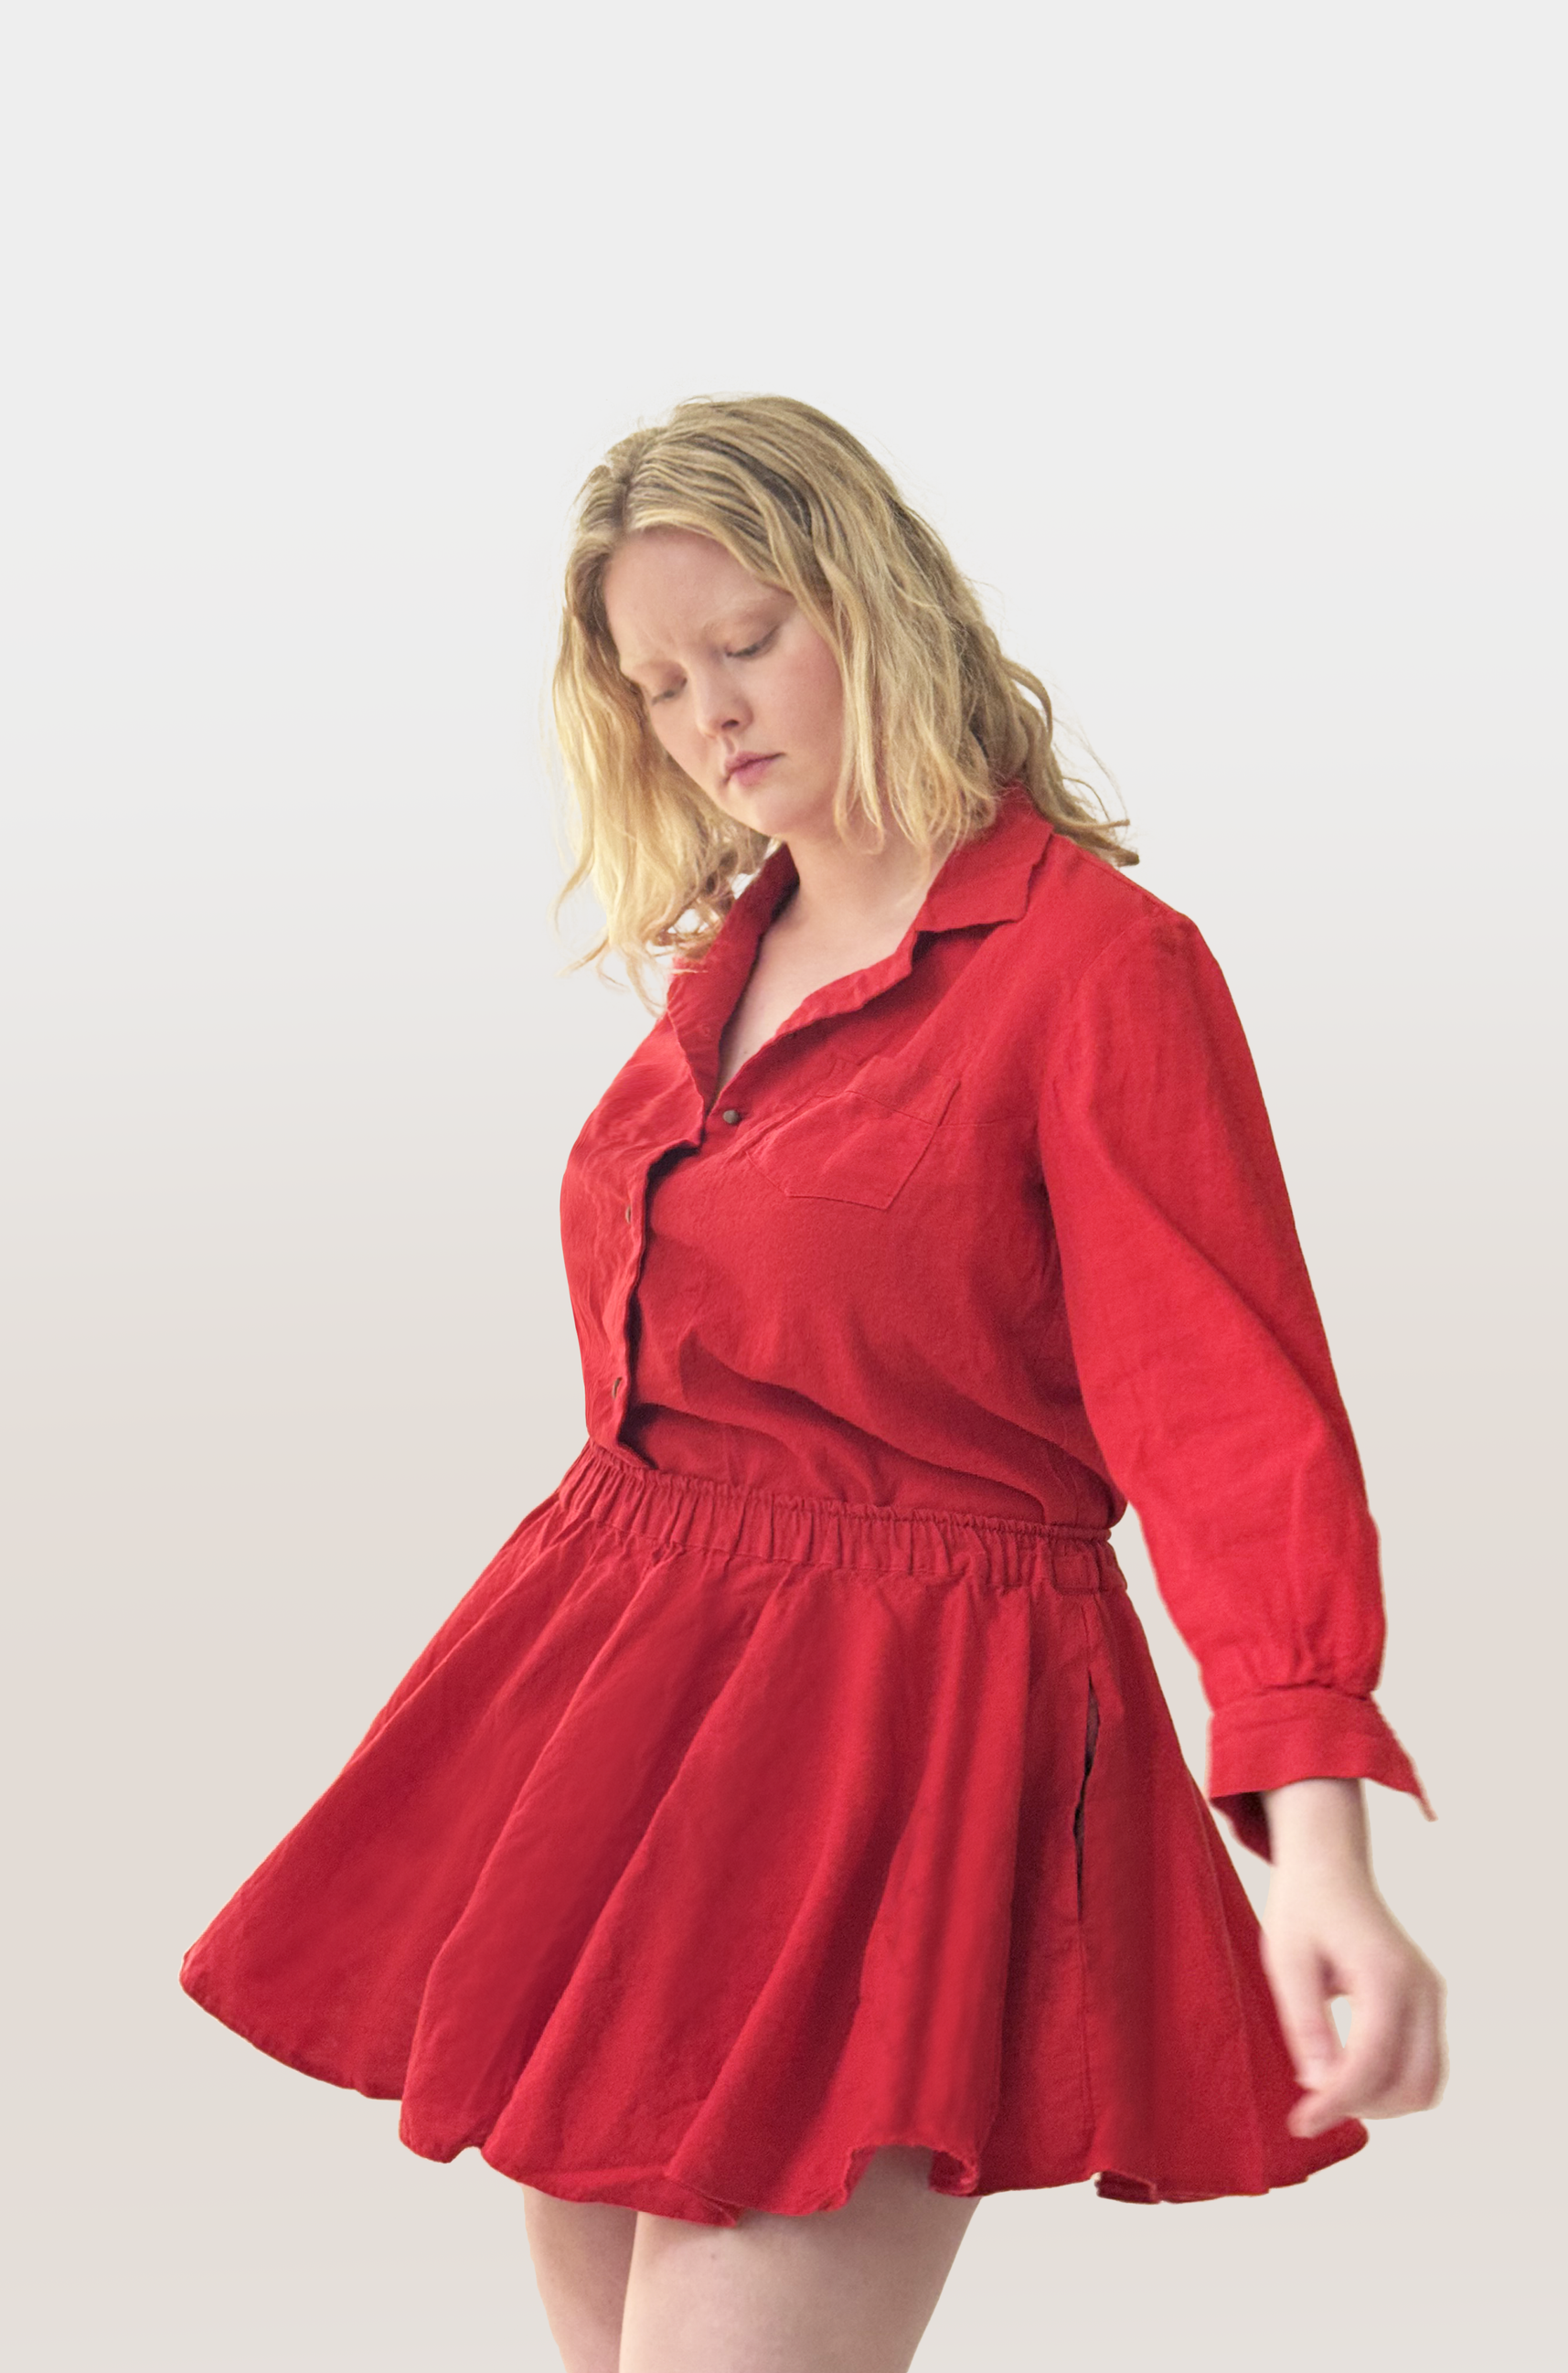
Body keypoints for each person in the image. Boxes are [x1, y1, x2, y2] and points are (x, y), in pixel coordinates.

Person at [180, 394, 1445, 2373]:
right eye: (656, 683)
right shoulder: (731, 949)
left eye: (745, 641)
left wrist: (1327, 1857)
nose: (707, 715)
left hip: (897, 1727)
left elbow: (1231, 1420)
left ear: (874, 602)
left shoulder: (1094, 968)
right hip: (629, 1702)